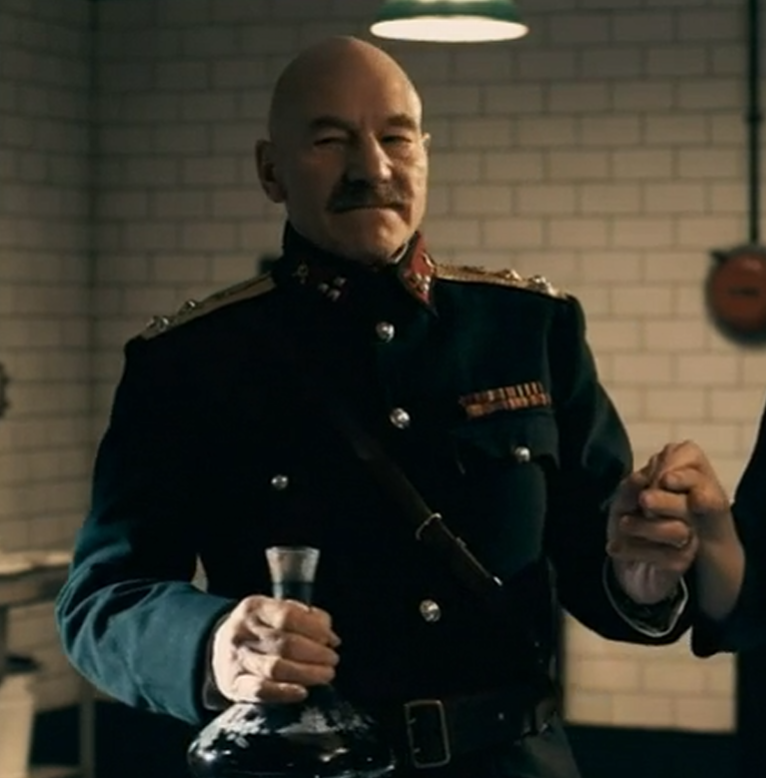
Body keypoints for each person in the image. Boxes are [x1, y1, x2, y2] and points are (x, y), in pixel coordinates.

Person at [55, 36, 728, 778]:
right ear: (271, 170)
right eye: (330, 140)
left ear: (424, 156)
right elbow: (101, 602)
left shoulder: (528, 330)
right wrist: (213, 645)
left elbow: (598, 559)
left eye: (396, 139)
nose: (371, 168)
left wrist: (641, 578)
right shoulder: (192, 361)